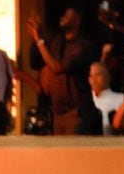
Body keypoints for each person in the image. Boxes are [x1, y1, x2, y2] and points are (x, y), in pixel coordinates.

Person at [27, 7, 98, 135]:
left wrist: (39, 40)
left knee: (74, 153)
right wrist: (34, 29)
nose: (62, 16)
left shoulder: (82, 46)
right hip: (58, 114)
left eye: (67, 14)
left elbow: (57, 68)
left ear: (77, 20)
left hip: (76, 113)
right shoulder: (57, 41)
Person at [88, 61, 124, 135]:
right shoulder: (86, 101)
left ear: (108, 77)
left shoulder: (123, 98)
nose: (93, 79)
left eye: (98, 75)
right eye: (91, 75)